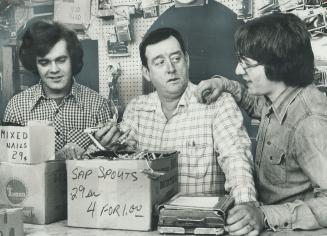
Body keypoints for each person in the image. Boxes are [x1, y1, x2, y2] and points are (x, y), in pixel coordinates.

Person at [195, 13, 327, 235]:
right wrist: (223, 84)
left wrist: (265, 215)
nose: (238, 70)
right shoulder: (277, 95)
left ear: (278, 63)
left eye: (246, 64)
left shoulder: (310, 122)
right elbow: (255, 105)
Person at [93, 27, 257, 204]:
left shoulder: (218, 103)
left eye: (176, 58)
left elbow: (236, 158)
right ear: (146, 73)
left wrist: (246, 204)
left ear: (186, 60)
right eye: (159, 62)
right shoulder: (136, 109)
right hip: (148, 224)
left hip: (200, 223)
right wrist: (107, 148)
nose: (170, 68)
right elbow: (123, 159)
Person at [3, 20, 115, 152]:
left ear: (72, 59)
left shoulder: (98, 105)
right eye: (45, 62)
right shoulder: (16, 107)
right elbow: (8, 163)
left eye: (61, 60)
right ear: (35, 65)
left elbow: (108, 161)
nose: (54, 69)